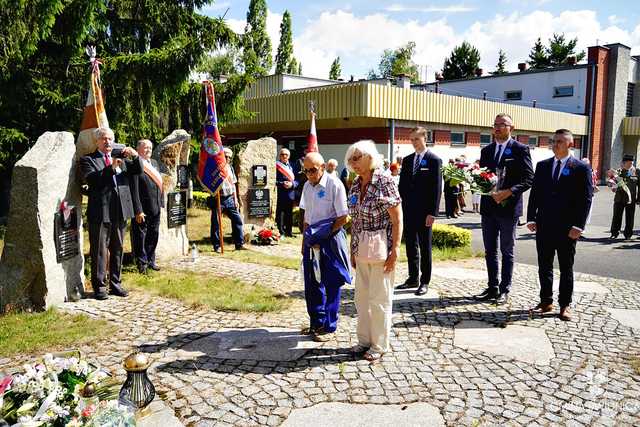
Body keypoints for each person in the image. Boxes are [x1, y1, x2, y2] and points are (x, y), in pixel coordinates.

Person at [527, 129, 593, 321]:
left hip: (567, 228)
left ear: (570, 144)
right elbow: (535, 194)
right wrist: (531, 218)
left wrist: (579, 226)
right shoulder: (543, 166)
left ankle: (565, 305)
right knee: (544, 265)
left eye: (560, 142)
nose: (555, 145)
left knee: (566, 267)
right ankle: (546, 301)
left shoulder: (580, 168)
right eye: (553, 141)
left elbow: (586, 199)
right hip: (544, 225)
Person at [347, 140, 403, 362]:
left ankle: (380, 345)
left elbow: (397, 218)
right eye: (351, 159)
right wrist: (352, 249)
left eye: (357, 157)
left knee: (379, 299)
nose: (353, 163)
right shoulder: (355, 184)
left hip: (381, 247)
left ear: (370, 157)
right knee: (361, 298)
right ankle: (364, 340)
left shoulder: (384, 180)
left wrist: (395, 250)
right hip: (361, 248)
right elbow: (355, 220)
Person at [474, 113, 533, 304]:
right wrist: (478, 183)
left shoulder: (520, 149)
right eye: (495, 124)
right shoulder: (487, 150)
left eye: (502, 124)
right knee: (490, 250)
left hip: (509, 209)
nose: (497, 128)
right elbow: (481, 176)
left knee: (507, 250)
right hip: (489, 208)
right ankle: (492, 287)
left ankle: (504, 289)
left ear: (511, 128)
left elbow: (529, 179)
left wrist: (508, 192)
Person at [79, 127, 142, 300]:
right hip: (100, 211)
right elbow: (93, 181)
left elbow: (138, 171)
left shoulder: (120, 158)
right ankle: (99, 286)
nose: (108, 142)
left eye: (110, 139)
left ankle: (115, 283)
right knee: (99, 250)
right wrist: (111, 169)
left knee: (117, 248)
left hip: (120, 210)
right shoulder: (88, 160)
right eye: (104, 139)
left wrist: (135, 156)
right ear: (97, 141)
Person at [299, 152, 350, 342]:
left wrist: (323, 234)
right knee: (312, 282)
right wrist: (305, 240)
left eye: (312, 170)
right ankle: (316, 322)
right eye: (306, 171)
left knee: (331, 282)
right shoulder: (306, 186)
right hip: (312, 240)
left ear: (322, 167)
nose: (309, 175)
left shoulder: (334, 184)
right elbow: (306, 217)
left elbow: (343, 217)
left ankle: (329, 326)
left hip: (331, 239)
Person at [397, 127, 442, 296]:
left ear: (425, 138)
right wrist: (399, 208)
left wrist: (433, 213)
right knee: (410, 245)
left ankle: (424, 281)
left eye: (416, 139)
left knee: (425, 247)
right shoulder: (408, 160)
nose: (414, 142)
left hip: (425, 212)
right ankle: (413, 277)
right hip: (408, 210)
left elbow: (437, 188)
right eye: (411, 139)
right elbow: (402, 187)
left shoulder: (434, 160)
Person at [130, 139, 164, 274]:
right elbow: (134, 188)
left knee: (153, 234)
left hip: (155, 207)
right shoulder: (135, 164)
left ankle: (151, 260)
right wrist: (138, 210)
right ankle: (142, 263)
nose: (148, 150)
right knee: (141, 236)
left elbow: (159, 185)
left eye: (150, 147)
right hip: (142, 209)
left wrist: (161, 202)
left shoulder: (154, 163)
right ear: (138, 149)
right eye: (145, 147)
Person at [209, 147, 245, 252]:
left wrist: (236, 199)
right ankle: (217, 245)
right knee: (216, 223)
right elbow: (209, 184)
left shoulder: (230, 168)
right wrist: (214, 193)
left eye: (229, 157)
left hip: (229, 198)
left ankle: (239, 244)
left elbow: (233, 184)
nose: (228, 158)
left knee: (237, 220)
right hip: (218, 198)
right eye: (226, 156)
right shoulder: (215, 168)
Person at [609, 154, 637, 239]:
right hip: (619, 198)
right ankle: (614, 232)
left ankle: (628, 234)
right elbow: (611, 182)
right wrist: (612, 185)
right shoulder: (618, 172)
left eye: (632, 163)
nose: (631, 165)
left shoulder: (636, 172)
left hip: (630, 199)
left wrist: (639, 198)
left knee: (630, 217)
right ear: (624, 163)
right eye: (629, 163)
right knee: (617, 216)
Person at [276, 148, 297, 237]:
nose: (284, 156)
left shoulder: (293, 165)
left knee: (289, 214)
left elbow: (298, 180)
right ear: (279, 155)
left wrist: (292, 184)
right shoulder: (276, 166)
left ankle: (289, 232)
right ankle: (281, 232)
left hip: (290, 193)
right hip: (280, 192)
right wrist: (282, 183)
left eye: (286, 155)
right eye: (282, 154)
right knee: (280, 214)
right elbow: (272, 180)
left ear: (289, 156)